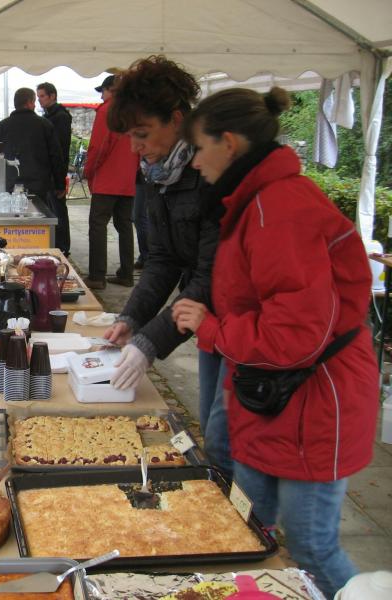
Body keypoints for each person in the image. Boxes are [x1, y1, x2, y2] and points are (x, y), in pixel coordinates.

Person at [172, 86, 378, 600]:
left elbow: (293, 336)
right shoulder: (255, 202)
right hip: (271, 398)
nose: (194, 162)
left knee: (311, 546)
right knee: (247, 531)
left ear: (229, 144)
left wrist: (211, 327)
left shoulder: (278, 209)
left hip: (311, 402)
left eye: (198, 148)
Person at [101, 56, 232, 477]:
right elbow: (162, 258)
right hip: (207, 318)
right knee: (215, 431)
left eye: (142, 134)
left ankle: (233, 507)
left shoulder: (212, 172)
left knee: (227, 438)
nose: (135, 148)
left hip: (237, 319)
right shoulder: (158, 171)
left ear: (177, 119)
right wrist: (132, 318)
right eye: (130, 137)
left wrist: (150, 342)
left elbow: (212, 274)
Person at [0, 87, 66, 241]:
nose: (35, 105)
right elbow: (56, 157)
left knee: (11, 229)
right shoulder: (45, 125)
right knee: (38, 229)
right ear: (29, 103)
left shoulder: (1, 127)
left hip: (8, 190)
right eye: (34, 101)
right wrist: (60, 184)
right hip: (38, 188)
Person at [83, 74, 139, 290]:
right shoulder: (134, 112)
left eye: (103, 91)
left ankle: (97, 276)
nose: (101, 96)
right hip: (127, 178)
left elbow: (98, 147)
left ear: (110, 90)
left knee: (98, 226)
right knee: (125, 225)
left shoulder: (107, 110)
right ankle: (126, 273)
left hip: (107, 178)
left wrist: (89, 171)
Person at [37, 82, 72, 255]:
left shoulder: (60, 117)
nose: (39, 100)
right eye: (38, 96)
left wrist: (60, 180)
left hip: (55, 172)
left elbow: (60, 150)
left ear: (52, 96)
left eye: (42, 96)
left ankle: (63, 247)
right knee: (52, 211)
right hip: (48, 173)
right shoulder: (48, 116)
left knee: (58, 212)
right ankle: (57, 245)